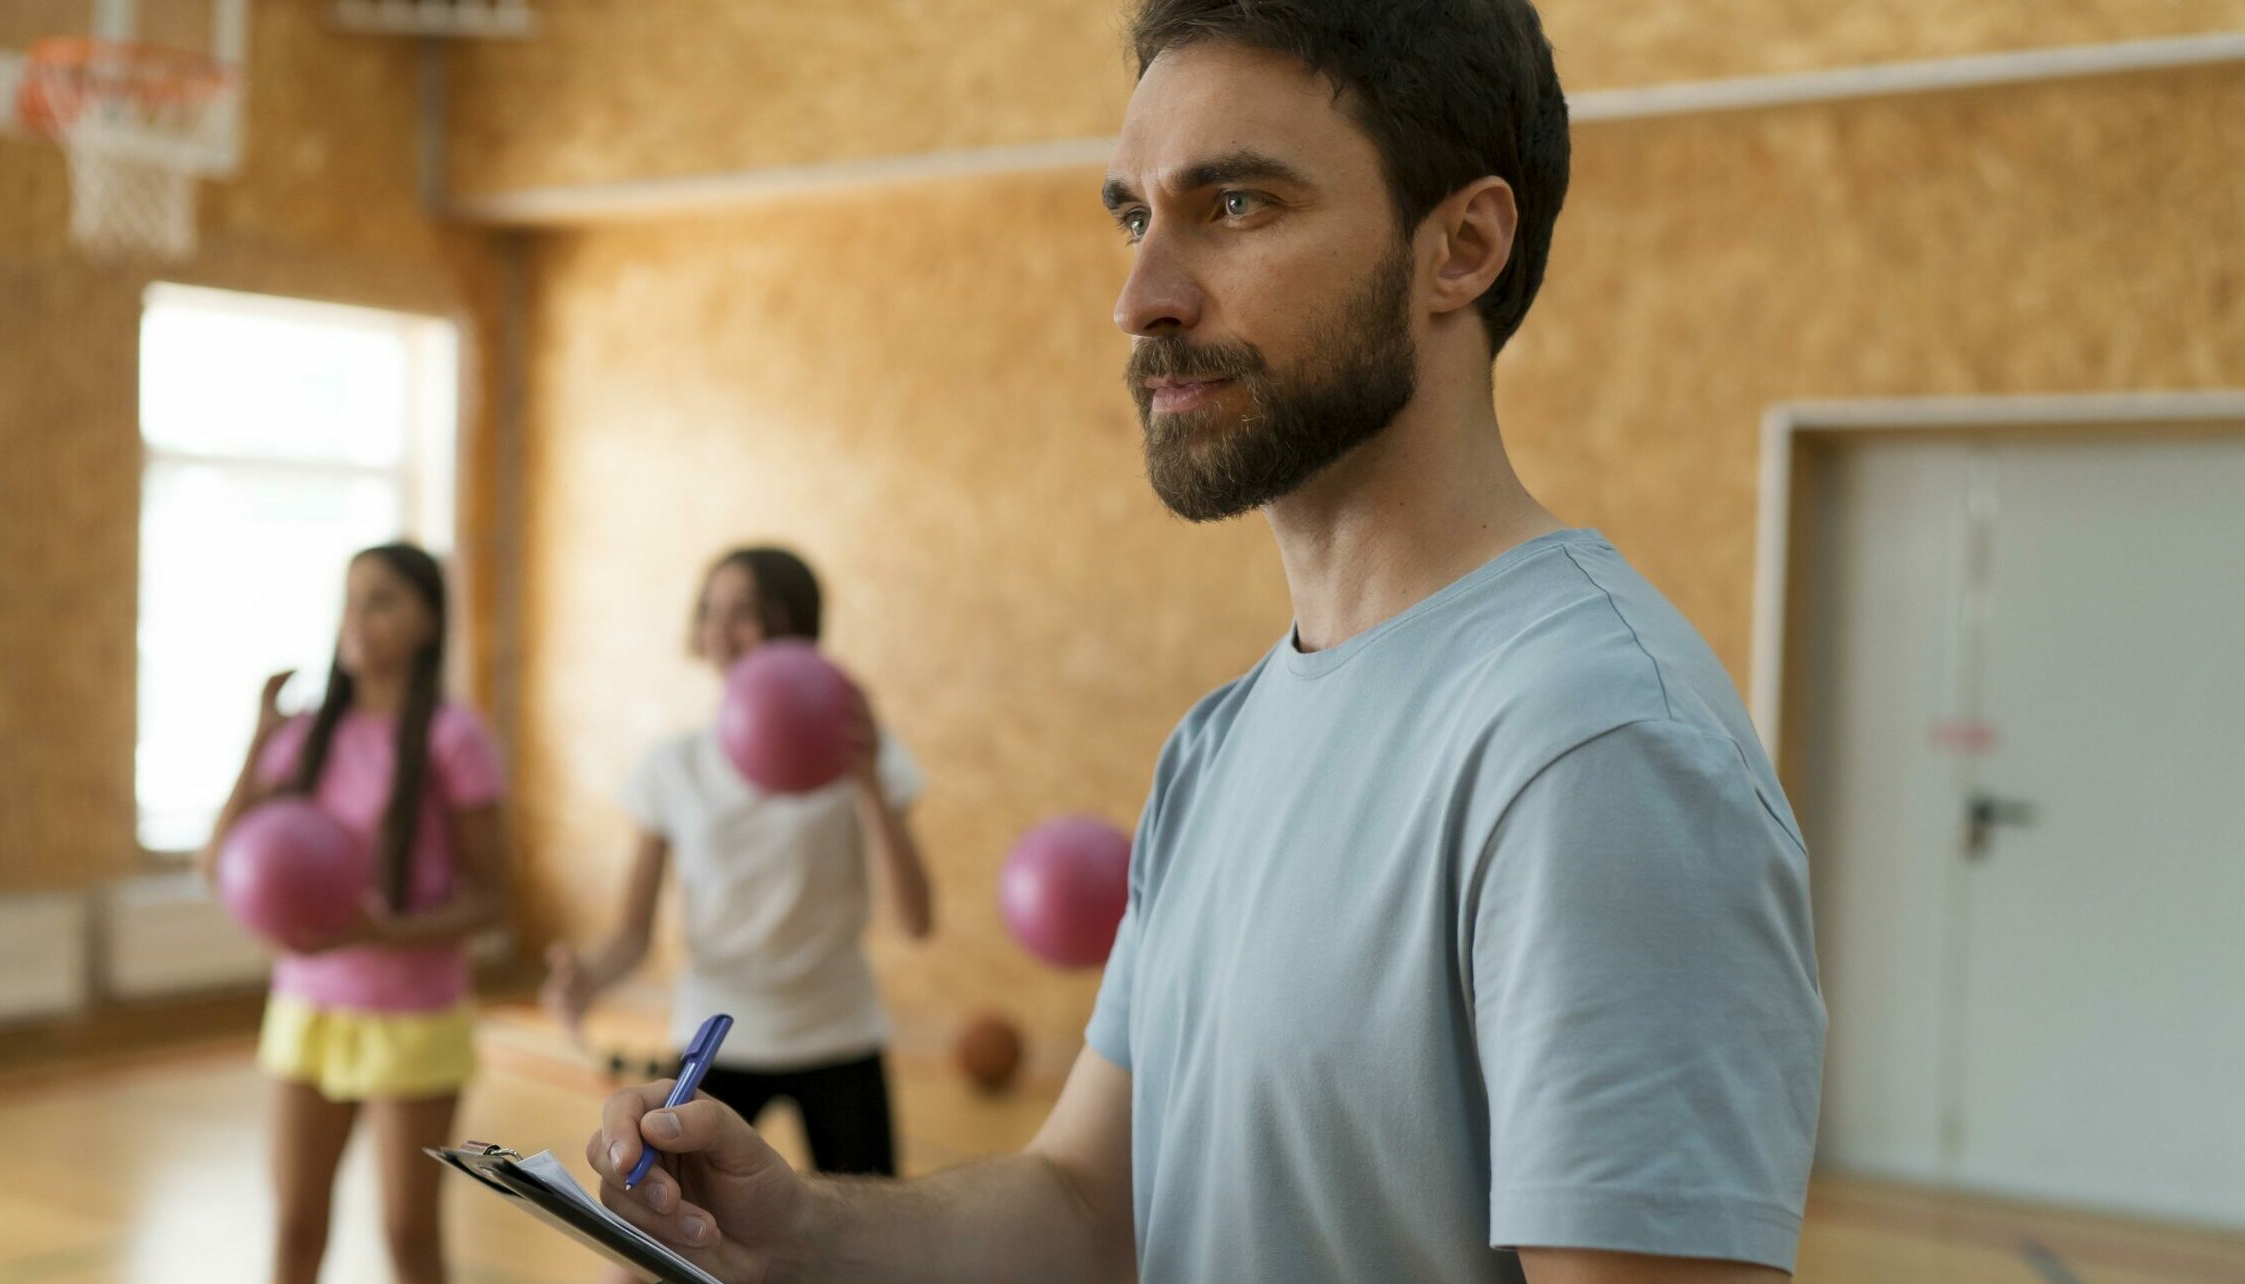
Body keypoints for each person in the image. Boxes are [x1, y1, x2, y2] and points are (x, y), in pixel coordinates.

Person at [574, 2, 1826, 1282]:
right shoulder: (1218, 744)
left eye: (1235, 206)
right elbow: (1083, 1203)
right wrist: (799, 1228)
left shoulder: (1596, 748)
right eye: (1134, 215)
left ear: (1462, 246)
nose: (1141, 298)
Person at [546, 546, 933, 1182]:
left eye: (746, 612)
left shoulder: (860, 751)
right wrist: (585, 977)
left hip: (838, 1034)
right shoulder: (674, 766)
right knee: (660, 1244)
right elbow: (632, 933)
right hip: (715, 1042)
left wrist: (866, 781)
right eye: (709, 611)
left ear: (798, 623)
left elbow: (915, 920)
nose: (721, 631)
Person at [200, 542, 509, 1284]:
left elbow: (493, 900)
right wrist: (258, 736)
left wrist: (385, 931)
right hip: (307, 1010)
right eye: (350, 599)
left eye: (382, 600)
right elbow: (216, 863)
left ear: (429, 622)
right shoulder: (305, 735)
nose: (358, 619)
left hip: (416, 1017)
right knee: (296, 1229)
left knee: (409, 1238)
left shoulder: (453, 737)